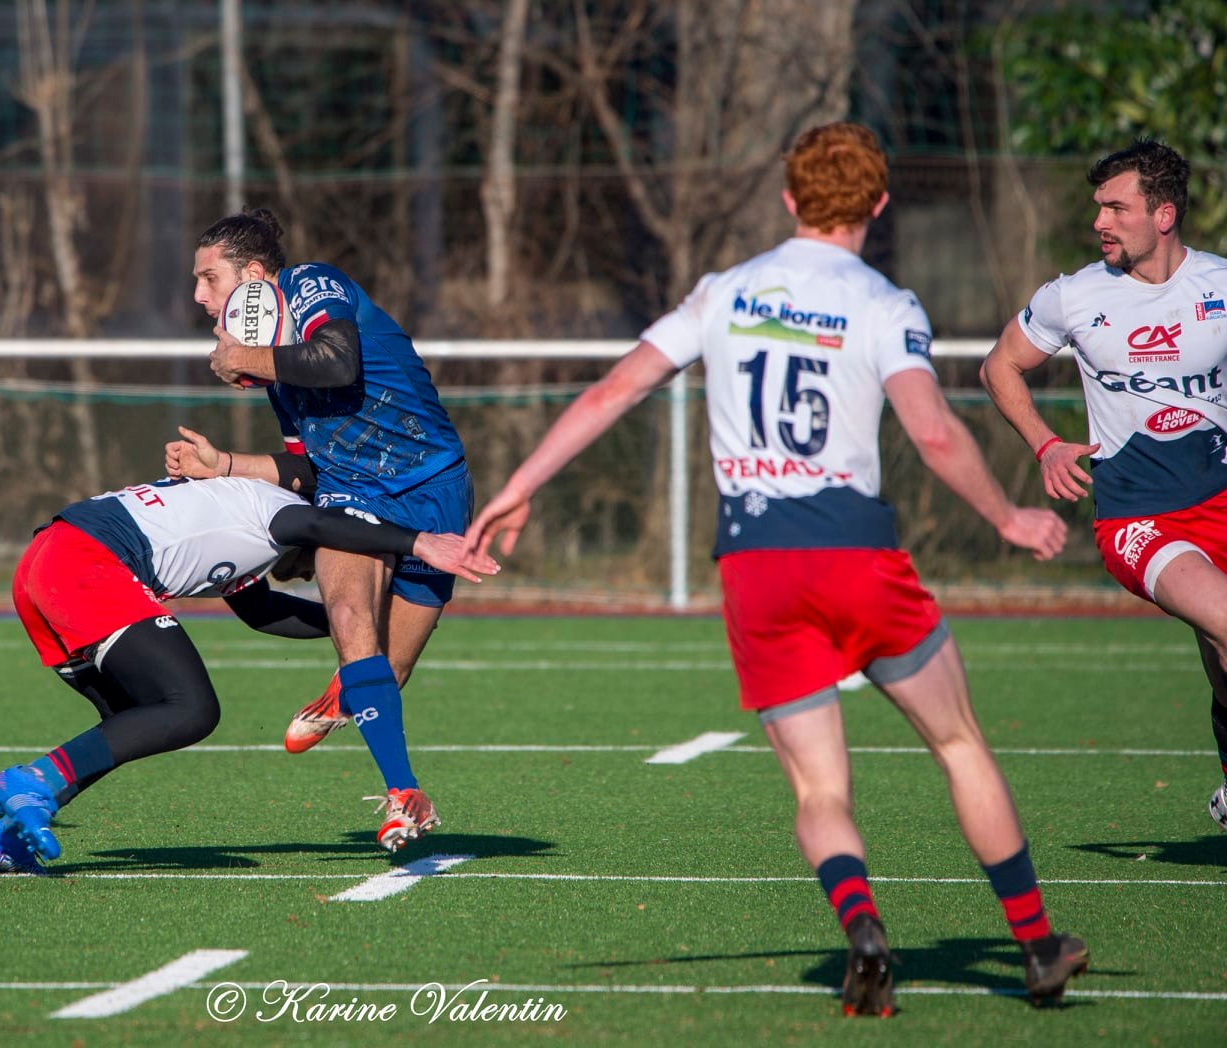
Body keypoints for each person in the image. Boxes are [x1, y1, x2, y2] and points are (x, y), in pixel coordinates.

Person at [464, 123, 1088, 1013]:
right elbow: (935, 430)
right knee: (957, 743)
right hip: (855, 554)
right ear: (878, 204)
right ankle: (1033, 946)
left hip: (755, 564)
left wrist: (517, 488)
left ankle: (863, 927)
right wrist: (1006, 514)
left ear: (789, 199)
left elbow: (613, 392)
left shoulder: (726, 291)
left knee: (818, 786)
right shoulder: (883, 301)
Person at [0, 475, 497, 873]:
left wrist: (357, 630)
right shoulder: (281, 513)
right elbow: (316, 524)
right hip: (88, 563)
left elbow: (264, 612)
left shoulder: (241, 528)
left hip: (46, 565)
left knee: (130, 724)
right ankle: (34, 779)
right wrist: (419, 543)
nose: (317, 574)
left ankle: (8, 837)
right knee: (191, 708)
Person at [163, 207, 473, 852]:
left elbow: (337, 362)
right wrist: (221, 465)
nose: (198, 295)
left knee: (390, 669)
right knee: (351, 616)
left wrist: (248, 356)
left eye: (208, 278)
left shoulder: (311, 285)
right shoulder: (275, 369)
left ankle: (344, 693)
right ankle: (404, 796)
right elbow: (306, 468)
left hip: (434, 487)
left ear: (252, 276)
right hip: (354, 497)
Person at [981, 138, 1227, 836]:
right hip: (1139, 519)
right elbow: (1000, 367)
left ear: (1164, 214)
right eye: (1097, 208)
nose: (1100, 222)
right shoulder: (1074, 296)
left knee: (1220, 653)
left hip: (1221, 496)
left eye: (1116, 207)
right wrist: (1045, 443)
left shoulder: (1217, 286)